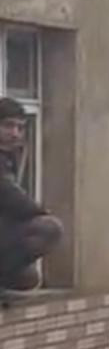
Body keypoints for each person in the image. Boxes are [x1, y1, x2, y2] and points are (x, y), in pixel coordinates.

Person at [0, 97, 61, 293]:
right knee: (49, 228)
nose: (15, 133)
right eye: (8, 126)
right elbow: (7, 193)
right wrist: (40, 212)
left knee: (29, 277)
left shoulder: (9, 158)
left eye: (20, 128)